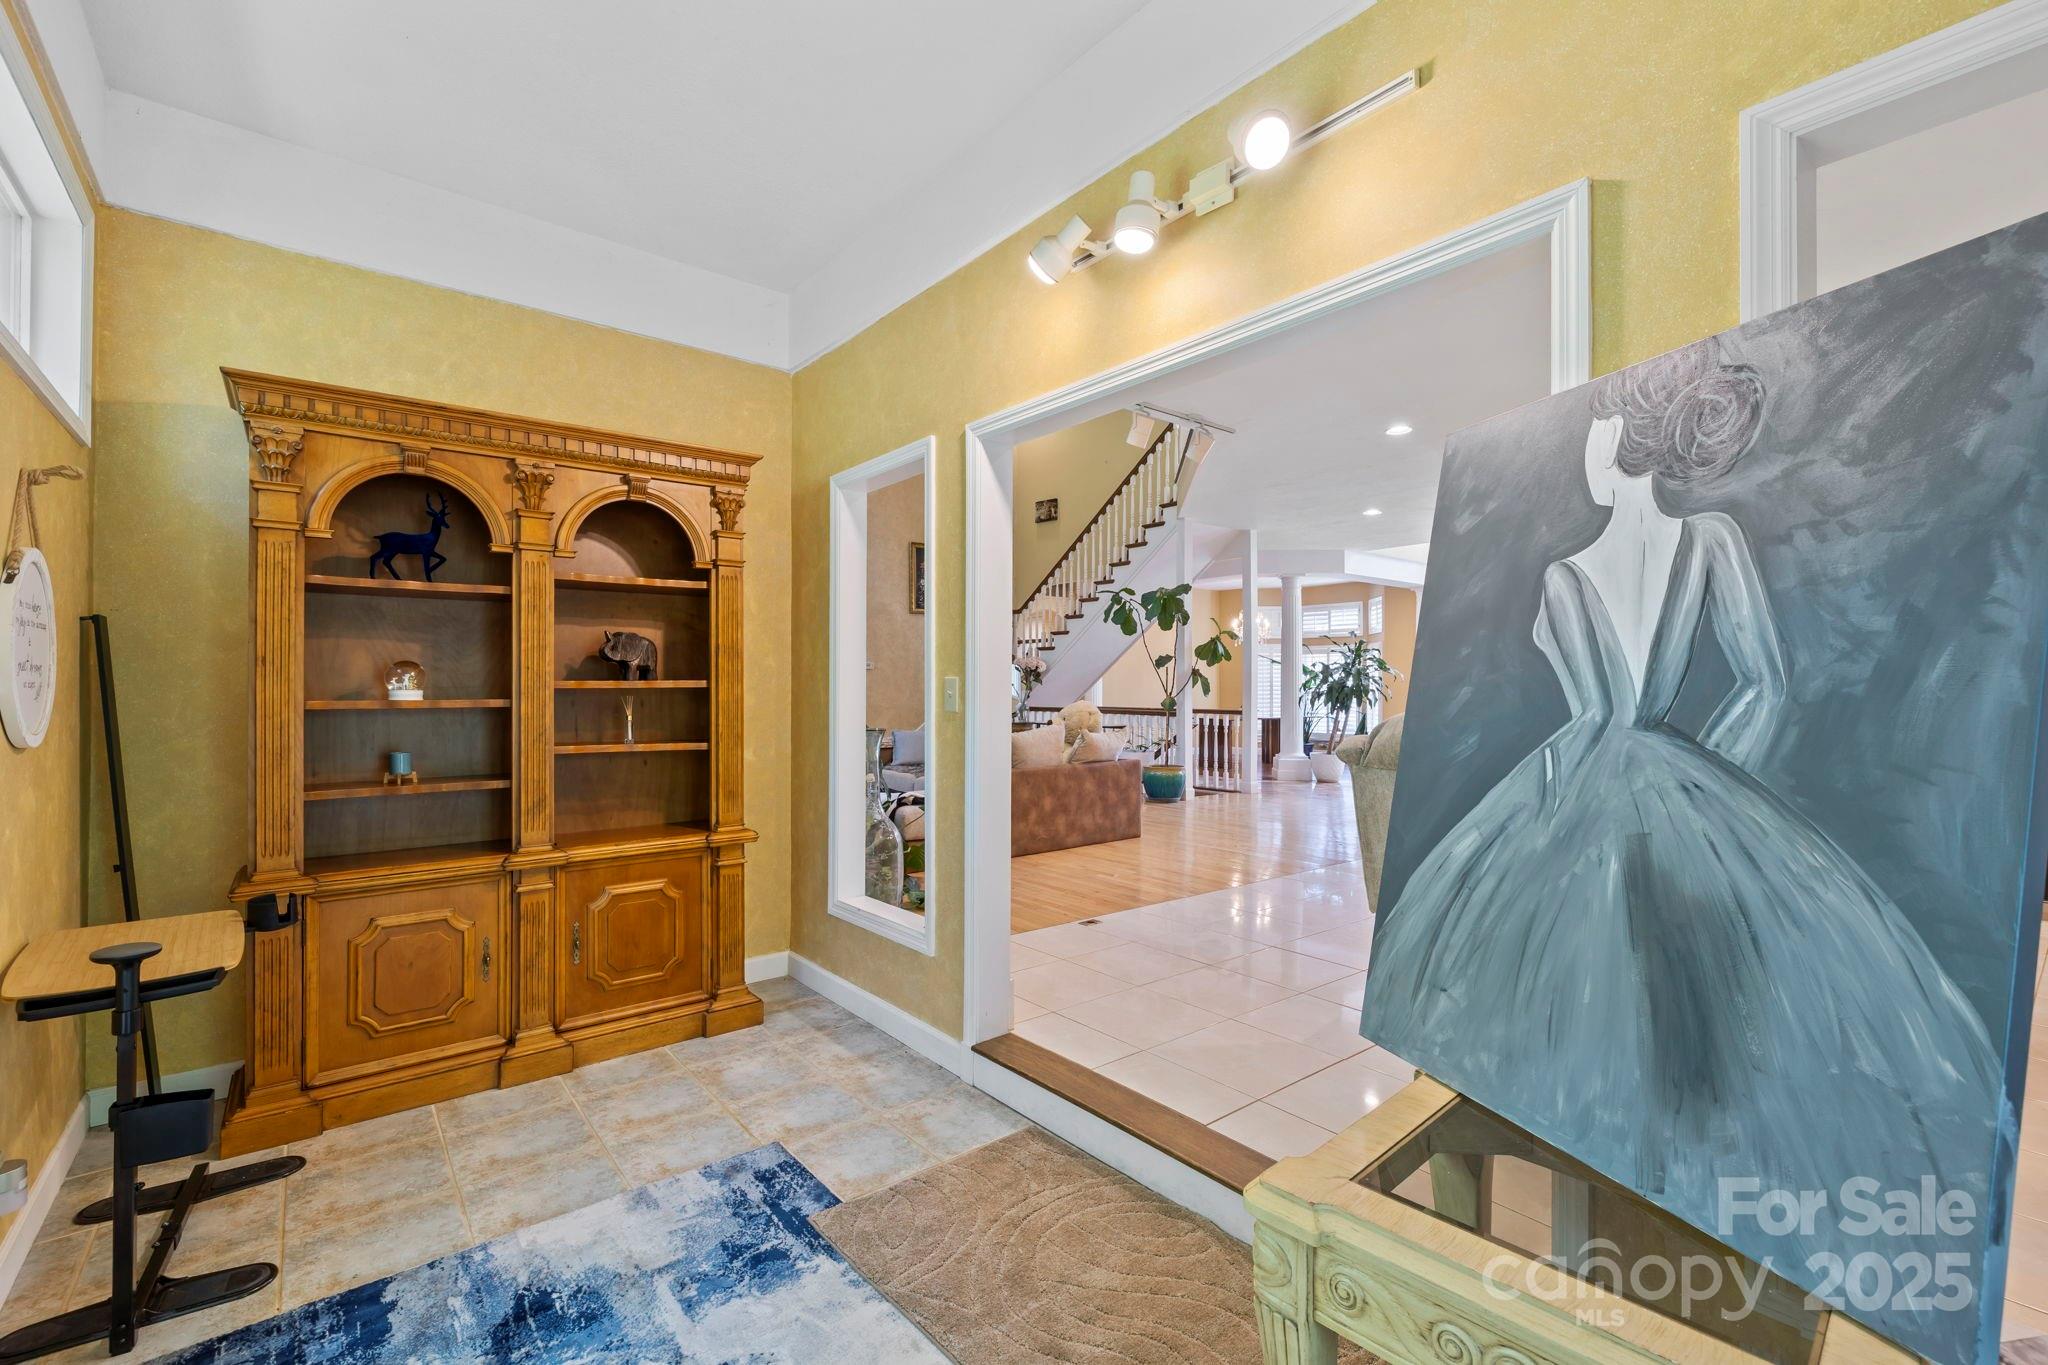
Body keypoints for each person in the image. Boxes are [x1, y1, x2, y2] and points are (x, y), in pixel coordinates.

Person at [1362, 341, 2004, 1309]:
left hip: (1574, 784)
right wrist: (1704, 786)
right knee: (1685, 999)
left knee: (1574, 984)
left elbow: (1587, 708)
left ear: (1621, 437)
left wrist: (1669, 784)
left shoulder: (1565, 574)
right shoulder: (1708, 541)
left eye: (1593, 431)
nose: (1585, 449)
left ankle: (1618, 1173)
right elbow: (1766, 684)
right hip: (1669, 771)